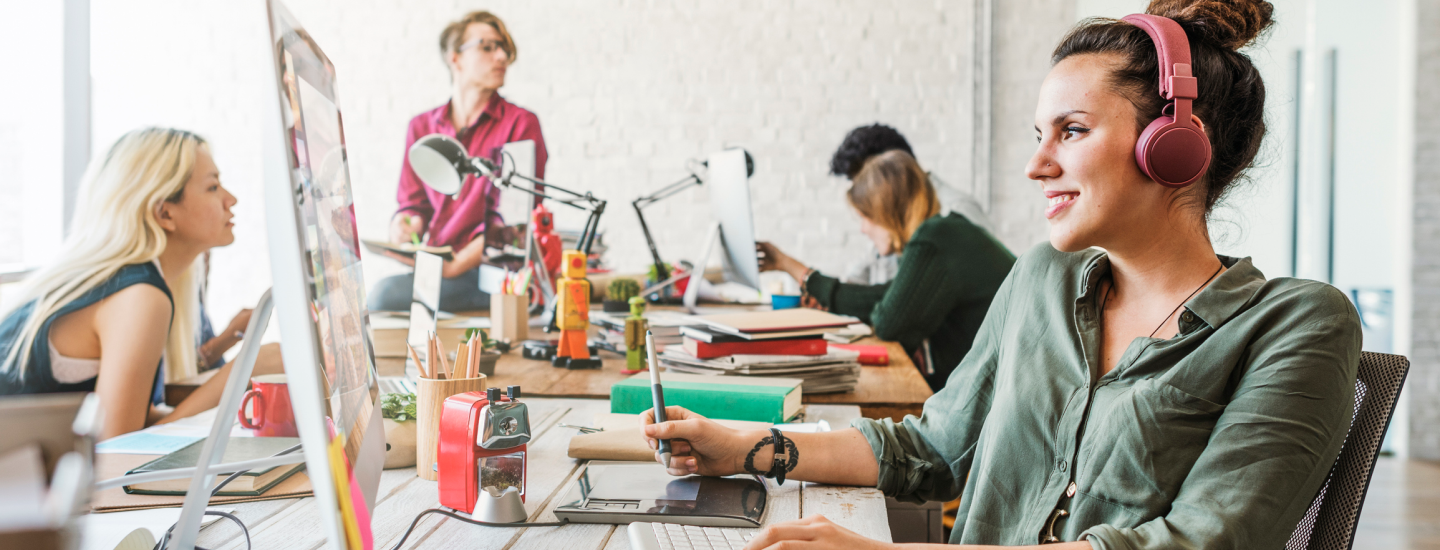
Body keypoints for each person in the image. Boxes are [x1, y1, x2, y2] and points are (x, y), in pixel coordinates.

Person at [644, 1, 1364, 548]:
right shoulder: (1041, 279)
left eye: (1071, 131)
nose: (1035, 165)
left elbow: (1194, 542)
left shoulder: (1298, 324)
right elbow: (929, 447)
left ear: (1173, 146)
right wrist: (740, 445)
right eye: (1037, 135)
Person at [0, 128, 273, 439]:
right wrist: (246, 368)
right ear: (164, 212)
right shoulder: (139, 295)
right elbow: (118, 451)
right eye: (212, 187)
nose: (231, 199)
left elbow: (133, 419)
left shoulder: (129, 282)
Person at [757, 150, 1015, 391]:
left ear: (885, 211)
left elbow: (889, 322)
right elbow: (887, 297)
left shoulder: (935, 238)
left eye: (863, 217)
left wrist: (800, 273)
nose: (862, 229)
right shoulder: (943, 235)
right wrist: (793, 268)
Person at [368, 10, 547, 313]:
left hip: (491, 270)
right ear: (455, 58)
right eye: (488, 46)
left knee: (382, 296)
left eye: (503, 47)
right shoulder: (421, 128)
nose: (502, 56)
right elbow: (412, 205)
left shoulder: (521, 124)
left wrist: (453, 267)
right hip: (438, 264)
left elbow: (516, 224)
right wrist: (404, 223)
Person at [829, 124, 995, 286]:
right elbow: (865, 275)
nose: (862, 196)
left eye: (865, 183)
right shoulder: (892, 219)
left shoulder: (958, 211)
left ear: (892, 172)